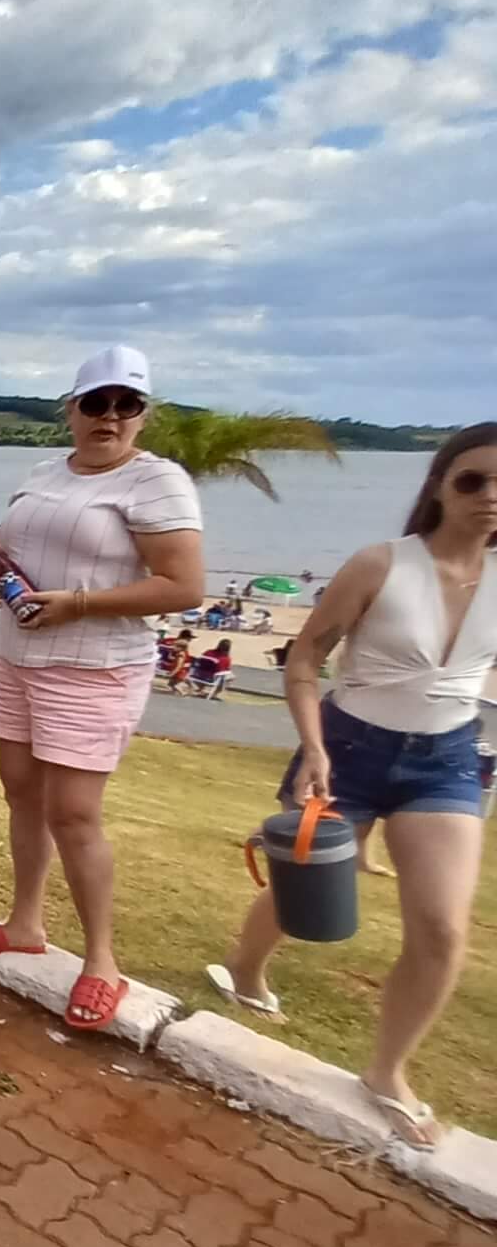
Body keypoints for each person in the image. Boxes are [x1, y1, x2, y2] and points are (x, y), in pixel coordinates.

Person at [208, 425, 497, 1147]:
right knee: (301, 891)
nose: (490, 497)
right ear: (438, 485)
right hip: (347, 745)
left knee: (442, 926)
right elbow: (306, 658)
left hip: (449, 758)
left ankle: (388, 1071)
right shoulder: (379, 564)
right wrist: (312, 746)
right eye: (473, 481)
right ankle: (245, 971)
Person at [0, 345, 204, 1031]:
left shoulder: (158, 483)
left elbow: (183, 586)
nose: (111, 416)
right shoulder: (43, 471)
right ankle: (25, 922)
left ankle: (101, 962)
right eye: (97, 402)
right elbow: (14, 540)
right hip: (21, 655)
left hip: (96, 666)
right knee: (20, 792)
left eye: (128, 404)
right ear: (72, 409)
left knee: (73, 812)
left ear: (144, 415)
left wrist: (79, 603)